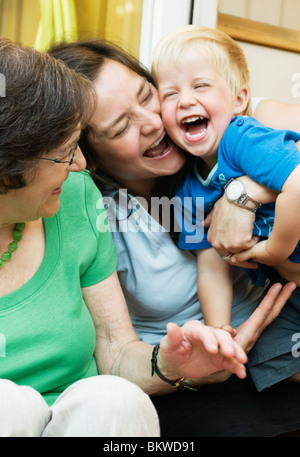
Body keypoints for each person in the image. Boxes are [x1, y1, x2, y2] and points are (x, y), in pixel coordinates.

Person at [0, 37, 260, 438]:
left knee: (115, 399)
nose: (79, 166)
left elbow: (116, 352)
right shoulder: (107, 207)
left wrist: (244, 193)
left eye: (147, 95)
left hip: (96, 408)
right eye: (66, 152)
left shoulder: (77, 195)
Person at [151, 25, 300, 392]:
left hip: (287, 266)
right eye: (170, 94)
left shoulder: (243, 138)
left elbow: (297, 182)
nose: (185, 100)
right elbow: (211, 260)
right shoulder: (186, 188)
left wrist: (274, 250)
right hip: (290, 290)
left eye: (200, 86)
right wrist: (220, 330)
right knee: (263, 360)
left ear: (238, 100)